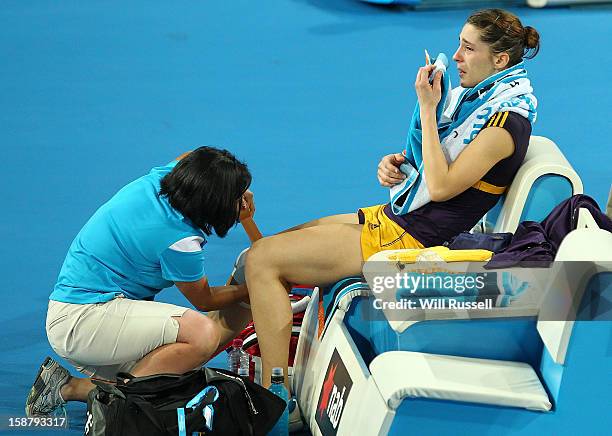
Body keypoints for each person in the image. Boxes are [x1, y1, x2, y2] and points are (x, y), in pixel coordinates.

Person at [244, 8, 541, 390]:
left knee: (263, 260)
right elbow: (431, 169)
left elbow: (440, 187)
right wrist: (396, 167)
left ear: (500, 59)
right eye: (458, 44)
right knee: (263, 251)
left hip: (414, 240)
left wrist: (427, 109)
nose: (455, 57)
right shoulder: (476, 101)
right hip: (397, 220)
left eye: (468, 48)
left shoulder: (505, 124)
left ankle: (275, 395)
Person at [26, 146, 255, 417]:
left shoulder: (167, 178)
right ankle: (118, 413)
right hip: (82, 322)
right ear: (213, 201)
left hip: (87, 312)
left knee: (180, 370)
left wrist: (233, 192)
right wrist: (253, 287)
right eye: (236, 197)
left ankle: (66, 388)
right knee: (201, 336)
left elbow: (194, 155)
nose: (243, 200)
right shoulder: (179, 240)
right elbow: (206, 300)